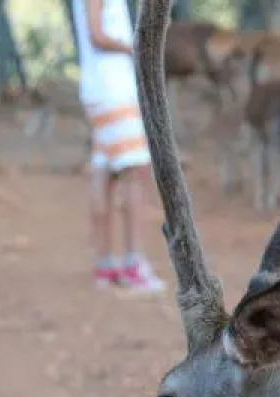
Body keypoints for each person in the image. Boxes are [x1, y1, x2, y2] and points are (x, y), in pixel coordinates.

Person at [70, 0, 165, 293]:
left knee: (106, 171)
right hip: (112, 89)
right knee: (135, 171)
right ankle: (133, 265)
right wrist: (134, 48)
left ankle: (106, 264)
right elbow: (96, 33)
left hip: (103, 87)